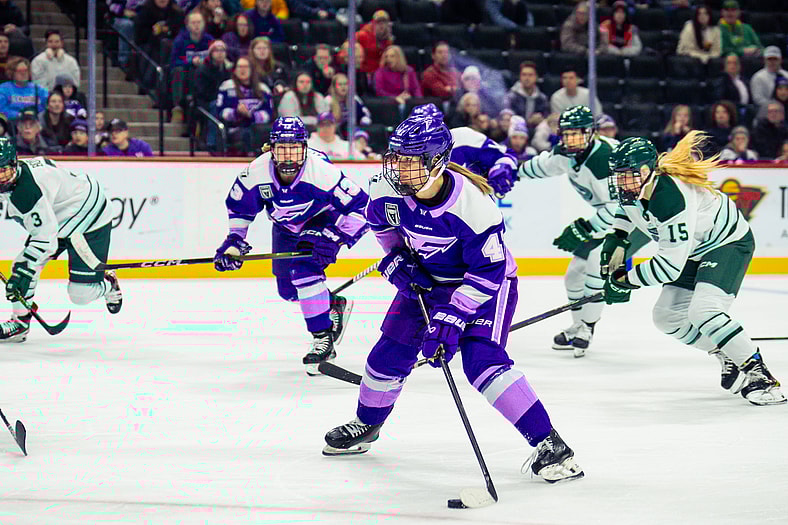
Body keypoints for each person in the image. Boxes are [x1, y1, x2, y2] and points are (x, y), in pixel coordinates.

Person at [322, 114, 585, 486]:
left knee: (482, 363)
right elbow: (383, 227)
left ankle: (551, 445)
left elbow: (488, 272)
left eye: (411, 161)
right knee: (387, 356)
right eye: (397, 158)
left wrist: (452, 317)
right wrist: (396, 258)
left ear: (437, 162)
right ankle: (367, 424)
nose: (399, 169)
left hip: (485, 287)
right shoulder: (387, 190)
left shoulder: (473, 207)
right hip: (428, 283)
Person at [604, 133, 784, 406]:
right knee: (666, 317)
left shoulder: (670, 197)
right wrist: (617, 237)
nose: (619, 182)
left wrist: (627, 279)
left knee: (704, 310)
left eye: (624, 175)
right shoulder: (635, 186)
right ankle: (727, 354)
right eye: (617, 175)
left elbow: (668, 267)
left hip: (727, 243)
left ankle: (760, 375)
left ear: (644, 171)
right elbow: (626, 211)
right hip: (695, 248)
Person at [214, 116, 368, 374]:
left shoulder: (322, 173)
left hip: (322, 220)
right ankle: (331, 303)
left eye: (294, 147)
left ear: (305, 147)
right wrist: (234, 242)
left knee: (304, 270)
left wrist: (334, 238)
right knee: (288, 290)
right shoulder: (256, 172)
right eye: (282, 148)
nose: (288, 155)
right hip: (285, 227)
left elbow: (362, 209)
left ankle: (323, 338)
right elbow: (240, 208)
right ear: (271, 148)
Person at [518, 106, 650, 357]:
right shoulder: (567, 154)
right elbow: (544, 165)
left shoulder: (604, 159)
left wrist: (588, 227)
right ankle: (577, 324)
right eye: (567, 134)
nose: (571, 139)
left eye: (578, 133)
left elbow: (620, 205)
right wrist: (511, 172)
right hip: (612, 217)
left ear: (591, 133)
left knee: (594, 263)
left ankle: (587, 328)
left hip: (639, 218)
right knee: (573, 275)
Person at [0, 138, 122, 342]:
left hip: (88, 215)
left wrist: (23, 274)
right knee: (23, 265)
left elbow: (46, 241)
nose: (1, 177)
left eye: (4, 170)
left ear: (14, 163)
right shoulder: (15, 182)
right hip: (56, 216)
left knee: (80, 294)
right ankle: (20, 323)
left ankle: (109, 284)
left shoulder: (27, 191)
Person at [411, 103, 518, 197]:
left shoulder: (464, 138)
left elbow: (506, 155)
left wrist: (501, 169)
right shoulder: (405, 154)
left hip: (473, 211)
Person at [216, 55, 273, 153]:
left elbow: (269, 113)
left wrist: (251, 116)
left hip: (258, 128)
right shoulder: (226, 87)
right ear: (235, 70)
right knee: (246, 134)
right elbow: (220, 110)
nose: (243, 70)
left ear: (252, 70)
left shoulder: (263, 89)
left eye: (246, 67)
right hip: (234, 127)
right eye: (240, 67)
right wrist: (236, 113)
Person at [504, 61, 549, 133]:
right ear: (520, 77)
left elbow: (546, 117)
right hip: (515, 132)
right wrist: (527, 122)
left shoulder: (542, 98)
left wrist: (541, 119)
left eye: (530, 75)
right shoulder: (511, 96)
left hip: (536, 131)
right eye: (524, 75)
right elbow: (508, 117)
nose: (527, 78)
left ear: (536, 77)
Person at [324, 73, 372, 137]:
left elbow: (365, 113)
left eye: (345, 84)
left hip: (353, 131)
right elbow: (324, 120)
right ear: (334, 87)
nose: (343, 87)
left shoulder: (354, 98)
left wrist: (363, 120)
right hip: (335, 132)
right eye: (340, 84)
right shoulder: (328, 100)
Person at [355, 9, 392, 75]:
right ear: (373, 23)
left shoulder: (388, 39)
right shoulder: (362, 35)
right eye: (378, 22)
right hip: (363, 72)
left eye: (384, 22)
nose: (381, 25)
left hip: (379, 73)